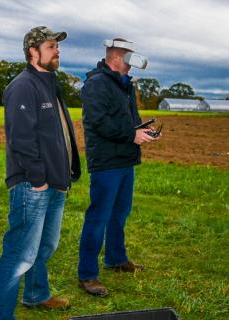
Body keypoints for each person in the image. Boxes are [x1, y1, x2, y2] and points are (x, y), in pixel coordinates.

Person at [0, 26, 81, 319]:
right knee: (19, 253)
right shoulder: (23, 86)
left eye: (57, 46)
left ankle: (36, 294)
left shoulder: (49, 83)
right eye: (52, 45)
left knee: (45, 246)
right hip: (33, 185)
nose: (58, 50)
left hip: (55, 183)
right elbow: (21, 139)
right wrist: (39, 179)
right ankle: (2, 315)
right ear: (33, 51)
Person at [78, 38, 158, 297]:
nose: (133, 61)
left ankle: (116, 258)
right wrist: (131, 135)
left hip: (125, 159)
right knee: (98, 216)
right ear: (117, 56)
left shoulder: (125, 85)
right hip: (106, 162)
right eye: (129, 56)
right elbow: (98, 122)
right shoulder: (96, 84)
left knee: (119, 213)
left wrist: (142, 130)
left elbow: (128, 121)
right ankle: (88, 275)